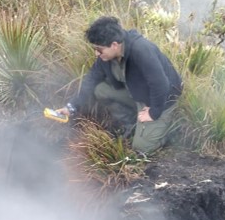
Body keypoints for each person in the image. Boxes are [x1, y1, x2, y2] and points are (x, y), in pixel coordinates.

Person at [55, 16, 183, 154]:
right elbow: (91, 79)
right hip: (137, 94)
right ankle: (131, 124)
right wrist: (71, 107)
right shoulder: (106, 56)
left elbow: (161, 84)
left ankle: (166, 129)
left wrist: (154, 112)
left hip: (161, 100)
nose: (96, 53)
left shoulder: (141, 50)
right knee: (101, 90)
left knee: (141, 148)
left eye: (99, 49)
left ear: (114, 45)